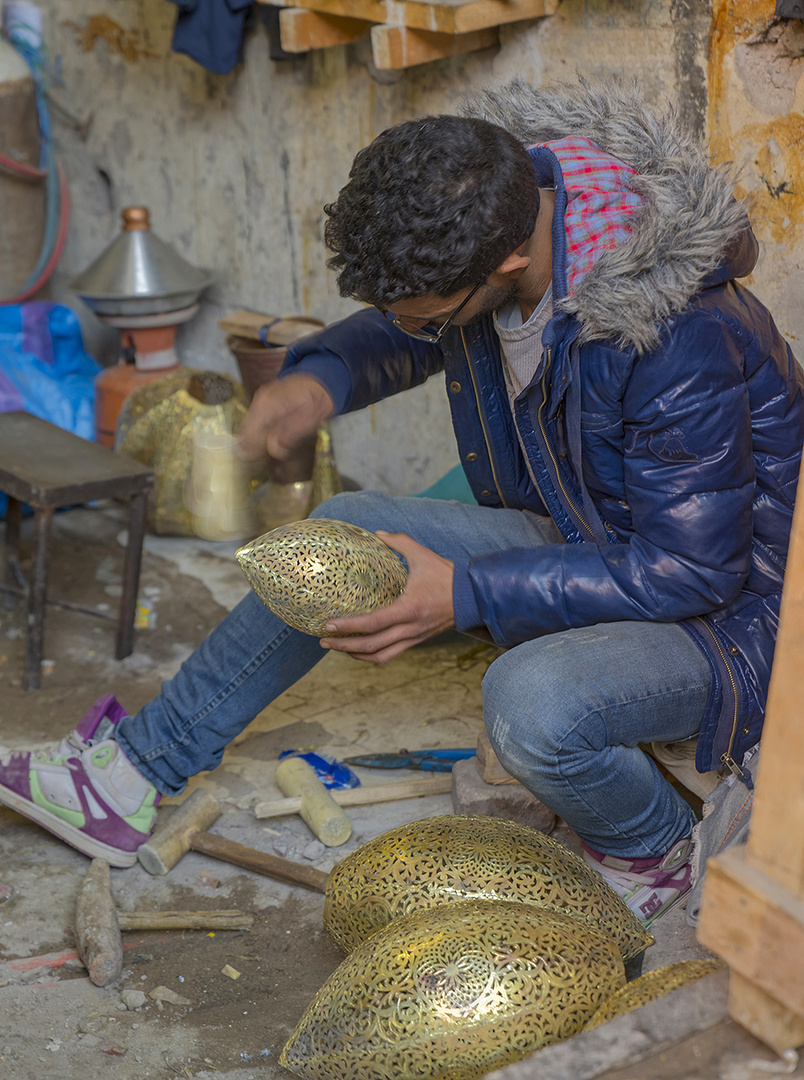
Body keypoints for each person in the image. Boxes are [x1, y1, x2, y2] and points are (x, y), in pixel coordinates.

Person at [2, 78, 802, 928]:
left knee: (528, 703)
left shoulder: (680, 331)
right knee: (339, 538)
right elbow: (411, 319)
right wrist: (323, 377)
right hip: (595, 540)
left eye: (425, 319)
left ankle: (663, 843)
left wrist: (465, 594)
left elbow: (691, 569)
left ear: (507, 265)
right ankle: (130, 776)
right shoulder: (496, 211)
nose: (412, 330)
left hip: (739, 620)